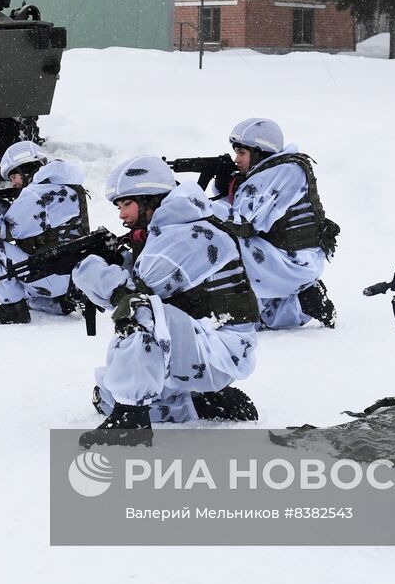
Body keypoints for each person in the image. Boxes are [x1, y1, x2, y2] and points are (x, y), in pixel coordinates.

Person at [72, 155, 261, 448]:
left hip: (223, 348)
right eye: (119, 207)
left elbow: (137, 294)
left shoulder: (187, 233)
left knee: (139, 312)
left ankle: (131, 421)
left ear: (149, 200)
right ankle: (204, 402)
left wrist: (90, 269)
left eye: (126, 204)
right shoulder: (173, 228)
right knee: (107, 396)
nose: (121, 215)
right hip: (206, 337)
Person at [212, 118, 338, 329]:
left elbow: (239, 223)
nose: (236, 160)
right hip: (289, 259)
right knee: (262, 318)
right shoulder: (273, 171)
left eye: (242, 153)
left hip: (291, 263)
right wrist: (224, 188)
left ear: (260, 152)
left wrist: (192, 201)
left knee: (217, 240)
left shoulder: (282, 172)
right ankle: (304, 301)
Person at [0, 140, 89, 325]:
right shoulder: (63, 185)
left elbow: (1, 230)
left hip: (53, 273)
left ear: (25, 170)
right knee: (25, 286)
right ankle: (57, 302)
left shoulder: (37, 192)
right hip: (72, 276)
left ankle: (12, 310)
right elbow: (26, 222)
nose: (14, 184)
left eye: (13, 177)